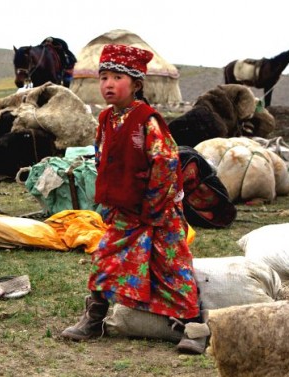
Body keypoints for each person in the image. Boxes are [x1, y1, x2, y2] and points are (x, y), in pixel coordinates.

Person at [60, 44, 208, 354]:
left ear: (136, 85)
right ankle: (94, 319)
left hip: (158, 212)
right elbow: (106, 160)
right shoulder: (105, 119)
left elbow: (167, 165)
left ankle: (195, 329)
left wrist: (153, 208)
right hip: (124, 211)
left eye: (117, 77)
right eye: (103, 78)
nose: (108, 85)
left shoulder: (148, 121)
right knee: (104, 259)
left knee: (172, 267)